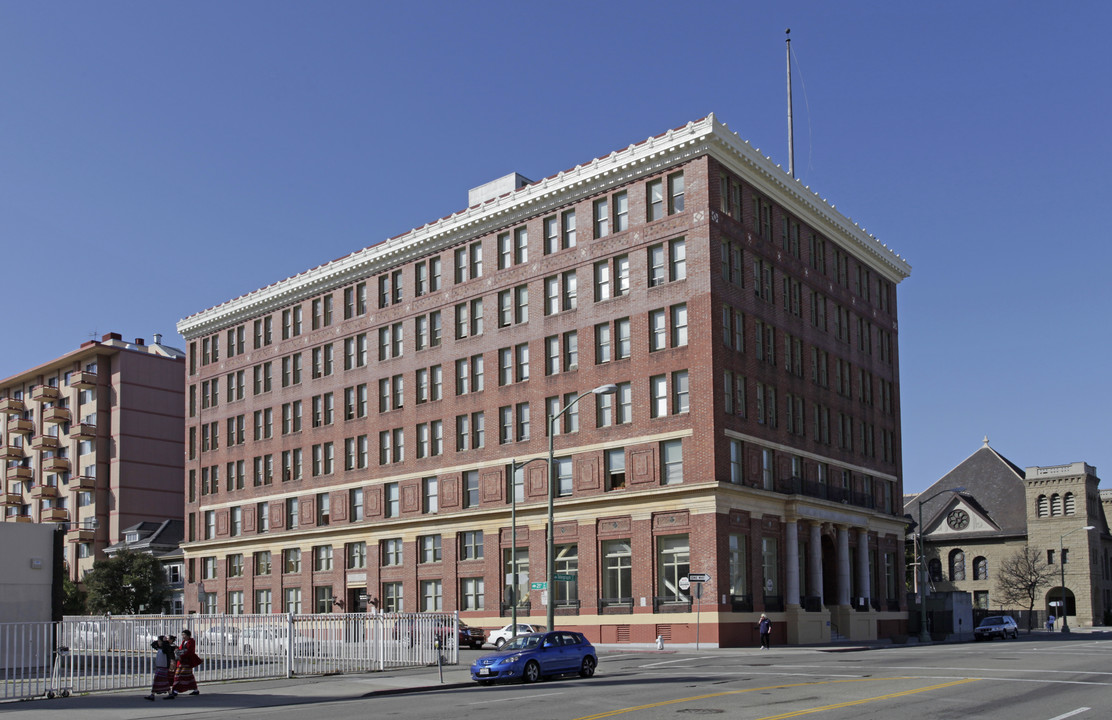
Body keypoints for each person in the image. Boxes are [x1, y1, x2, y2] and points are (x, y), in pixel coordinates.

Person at [169, 629, 203, 697]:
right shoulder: (184, 641)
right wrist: (177, 650)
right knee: (187, 676)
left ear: (188, 635)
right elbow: (181, 649)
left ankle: (176, 690)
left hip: (187, 661)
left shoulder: (191, 641)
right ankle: (195, 689)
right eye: (182, 635)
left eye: (184, 635)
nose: (183, 636)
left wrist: (182, 655)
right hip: (182, 661)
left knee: (181, 675)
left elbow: (189, 651)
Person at [144, 635, 176, 701]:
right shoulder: (159, 648)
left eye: (159, 641)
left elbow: (165, 648)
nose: (158, 642)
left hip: (163, 667)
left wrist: (164, 641)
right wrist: (159, 641)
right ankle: (170, 694)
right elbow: (153, 644)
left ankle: (152, 695)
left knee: (157, 680)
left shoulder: (166, 648)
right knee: (163, 681)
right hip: (159, 666)